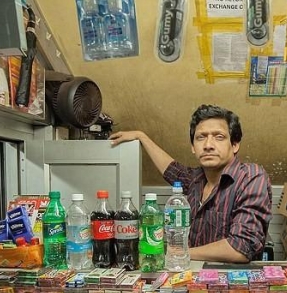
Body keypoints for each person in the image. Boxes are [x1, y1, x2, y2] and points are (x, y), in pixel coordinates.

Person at [109, 104, 272, 263]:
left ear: (235, 145)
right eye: (201, 137)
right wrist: (141, 136)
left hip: (231, 282)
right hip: (192, 279)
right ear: (193, 147)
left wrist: (178, 253)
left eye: (219, 137)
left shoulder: (251, 177)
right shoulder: (196, 179)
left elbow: (241, 248)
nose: (208, 145)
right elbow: (171, 169)